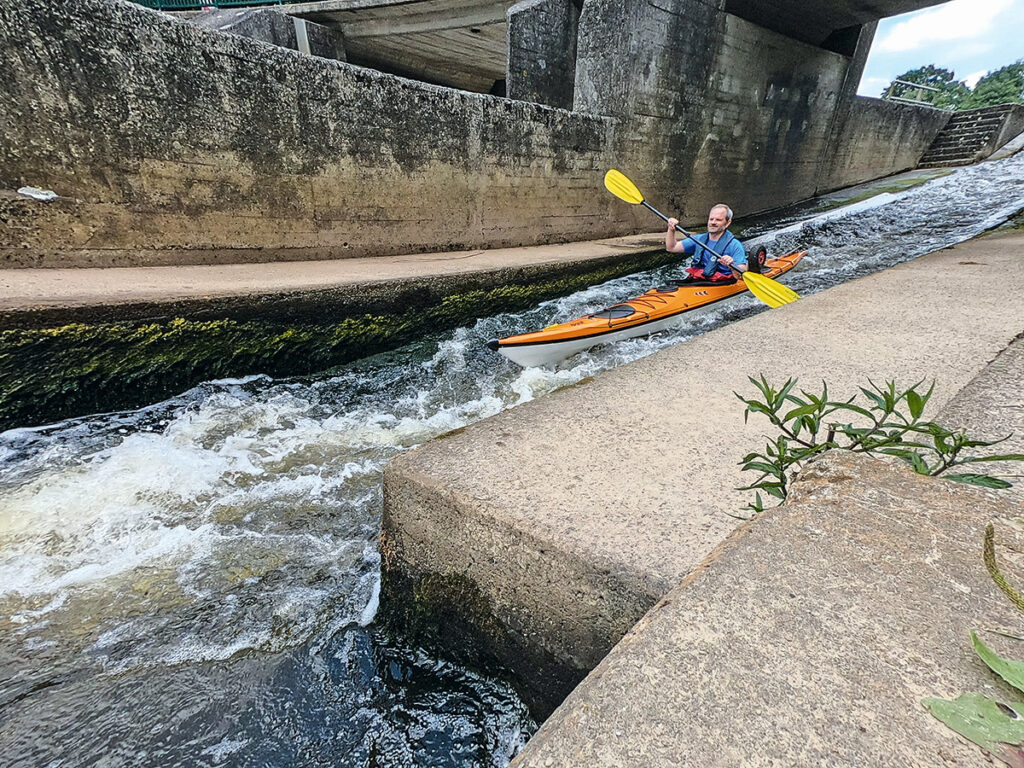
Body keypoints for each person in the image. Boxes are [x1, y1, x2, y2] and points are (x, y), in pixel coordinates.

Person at [665, 204, 747, 283]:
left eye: (718, 220)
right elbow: (672, 247)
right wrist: (671, 229)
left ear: (728, 223)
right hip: (699, 280)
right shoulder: (699, 239)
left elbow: (741, 275)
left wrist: (731, 265)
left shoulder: (735, 245)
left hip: (722, 282)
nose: (713, 222)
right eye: (711, 219)